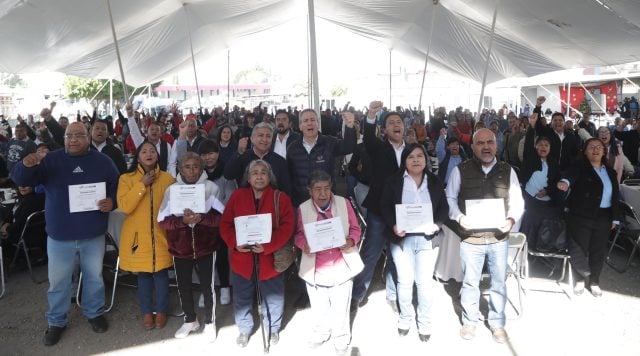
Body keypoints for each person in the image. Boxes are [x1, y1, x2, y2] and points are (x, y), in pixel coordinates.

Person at [11, 122, 119, 346]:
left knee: (94, 277)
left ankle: (94, 312)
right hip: (60, 235)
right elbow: (21, 179)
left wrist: (113, 200)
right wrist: (27, 164)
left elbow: (117, 185)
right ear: (64, 138)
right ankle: (56, 321)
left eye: (79, 135)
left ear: (88, 137)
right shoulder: (50, 159)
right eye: (69, 135)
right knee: (58, 282)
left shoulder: (103, 161)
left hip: (93, 233)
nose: (73, 139)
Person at [445, 128, 524, 344]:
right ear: (472, 147)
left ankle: (497, 323)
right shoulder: (460, 170)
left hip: (499, 239)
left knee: (498, 282)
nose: (486, 146)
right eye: (480, 143)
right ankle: (470, 321)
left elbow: (517, 200)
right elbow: (449, 198)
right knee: (470, 282)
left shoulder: (508, 171)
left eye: (490, 142)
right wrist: (460, 217)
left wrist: (510, 220)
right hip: (471, 240)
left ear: (496, 145)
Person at [219, 160, 294, 348]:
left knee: (274, 296)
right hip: (242, 260)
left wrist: (268, 246)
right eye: (255, 173)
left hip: (270, 259)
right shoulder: (237, 196)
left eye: (263, 173)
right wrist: (235, 243)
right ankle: (244, 328)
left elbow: (288, 227)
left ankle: (273, 328)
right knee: (242, 297)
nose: (259, 176)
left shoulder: (280, 197)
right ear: (248, 176)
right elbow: (225, 224)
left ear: (270, 176)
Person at [379, 143, 448, 342]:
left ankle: (425, 322)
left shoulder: (434, 181)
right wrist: (393, 225)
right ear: (405, 161)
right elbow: (384, 206)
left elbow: (443, 207)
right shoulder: (394, 181)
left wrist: (437, 224)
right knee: (405, 281)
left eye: (420, 156)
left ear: (426, 159)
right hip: (402, 240)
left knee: (424, 283)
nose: (416, 160)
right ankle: (405, 318)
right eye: (411, 157)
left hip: (428, 239)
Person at [295, 170, 363, 355]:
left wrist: (351, 241)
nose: (323, 193)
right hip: (315, 267)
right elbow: (299, 234)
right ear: (310, 191)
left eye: (326, 188)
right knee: (319, 305)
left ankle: (341, 337)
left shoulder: (344, 203)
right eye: (317, 189)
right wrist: (304, 245)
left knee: (341, 306)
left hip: (342, 264)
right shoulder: (303, 208)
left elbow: (356, 228)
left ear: (331, 187)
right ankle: (322, 332)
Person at [158, 152, 223, 340]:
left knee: (207, 286)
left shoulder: (211, 188)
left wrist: (203, 218)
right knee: (183, 286)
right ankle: (190, 319)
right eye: (187, 166)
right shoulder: (172, 190)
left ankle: (210, 322)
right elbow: (162, 219)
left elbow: (222, 217)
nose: (192, 170)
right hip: (181, 247)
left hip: (205, 246)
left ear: (202, 169)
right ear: (180, 169)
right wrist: (182, 222)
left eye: (196, 166)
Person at [351, 104, 406, 312]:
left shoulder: (412, 151)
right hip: (378, 211)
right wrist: (371, 116)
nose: (395, 125)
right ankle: (357, 295)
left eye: (398, 122)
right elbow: (368, 139)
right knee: (371, 253)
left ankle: (392, 294)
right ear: (384, 130)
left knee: (396, 254)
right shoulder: (378, 147)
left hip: (401, 212)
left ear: (404, 127)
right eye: (390, 123)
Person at [117, 141, 175, 330]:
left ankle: (162, 311)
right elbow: (125, 207)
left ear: (157, 156)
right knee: (143, 276)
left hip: (161, 236)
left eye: (152, 151)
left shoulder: (168, 179)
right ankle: (147, 313)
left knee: (161, 275)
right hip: (138, 238)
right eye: (144, 151)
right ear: (138, 156)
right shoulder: (127, 178)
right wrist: (142, 185)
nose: (148, 154)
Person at [557, 138, 620, 297]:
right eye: (591, 147)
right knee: (580, 248)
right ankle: (579, 279)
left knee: (598, 251)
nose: (595, 150)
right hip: (582, 216)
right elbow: (569, 176)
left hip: (604, 216)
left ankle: (594, 281)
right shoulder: (580, 167)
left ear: (604, 151)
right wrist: (564, 182)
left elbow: (615, 196)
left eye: (599, 147)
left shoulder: (610, 171)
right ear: (585, 151)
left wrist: (615, 217)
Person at [286, 109, 356, 206]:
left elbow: (349, 147)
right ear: (300, 126)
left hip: (326, 201)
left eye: (312, 120)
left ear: (318, 124)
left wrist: (349, 126)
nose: (309, 123)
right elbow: (289, 177)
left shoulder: (329, 143)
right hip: (301, 203)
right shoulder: (292, 148)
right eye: (305, 121)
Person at [199, 139, 237, 305]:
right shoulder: (198, 174)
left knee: (222, 256)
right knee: (205, 257)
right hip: (202, 221)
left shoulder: (226, 172)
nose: (208, 158)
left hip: (221, 219)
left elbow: (230, 198)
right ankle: (206, 288)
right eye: (204, 154)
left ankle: (225, 287)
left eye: (211, 153)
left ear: (218, 154)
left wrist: (220, 216)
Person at [224, 122, 291, 196]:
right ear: (252, 139)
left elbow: (286, 190)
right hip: (246, 203)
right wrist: (238, 153)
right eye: (260, 135)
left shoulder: (280, 161)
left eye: (268, 136)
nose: (264, 139)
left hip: (272, 204)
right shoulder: (242, 157)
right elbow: (228, 175)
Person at [519, 134, 561, 249]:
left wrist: (548, 191)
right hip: (530, 200)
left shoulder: (553, 163)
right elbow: (528, 146)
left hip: (548, 202)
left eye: (546, 145)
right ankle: (527, 248)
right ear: (536, 147)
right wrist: (532, 127)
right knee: (531, 220)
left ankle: (543, 247)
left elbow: (557, 182)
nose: (543, 147)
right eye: (540, 145)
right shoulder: (530, 159)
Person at [531, 97, 580, 172]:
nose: (558, 122)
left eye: (560, 120)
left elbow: (575, 153)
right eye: (555, 120)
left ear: (564, 122)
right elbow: (537, 122)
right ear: (551, 122)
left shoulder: (570, 136)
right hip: (547, 170)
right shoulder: (546, 132)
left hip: (565, 172)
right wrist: (538, 106)